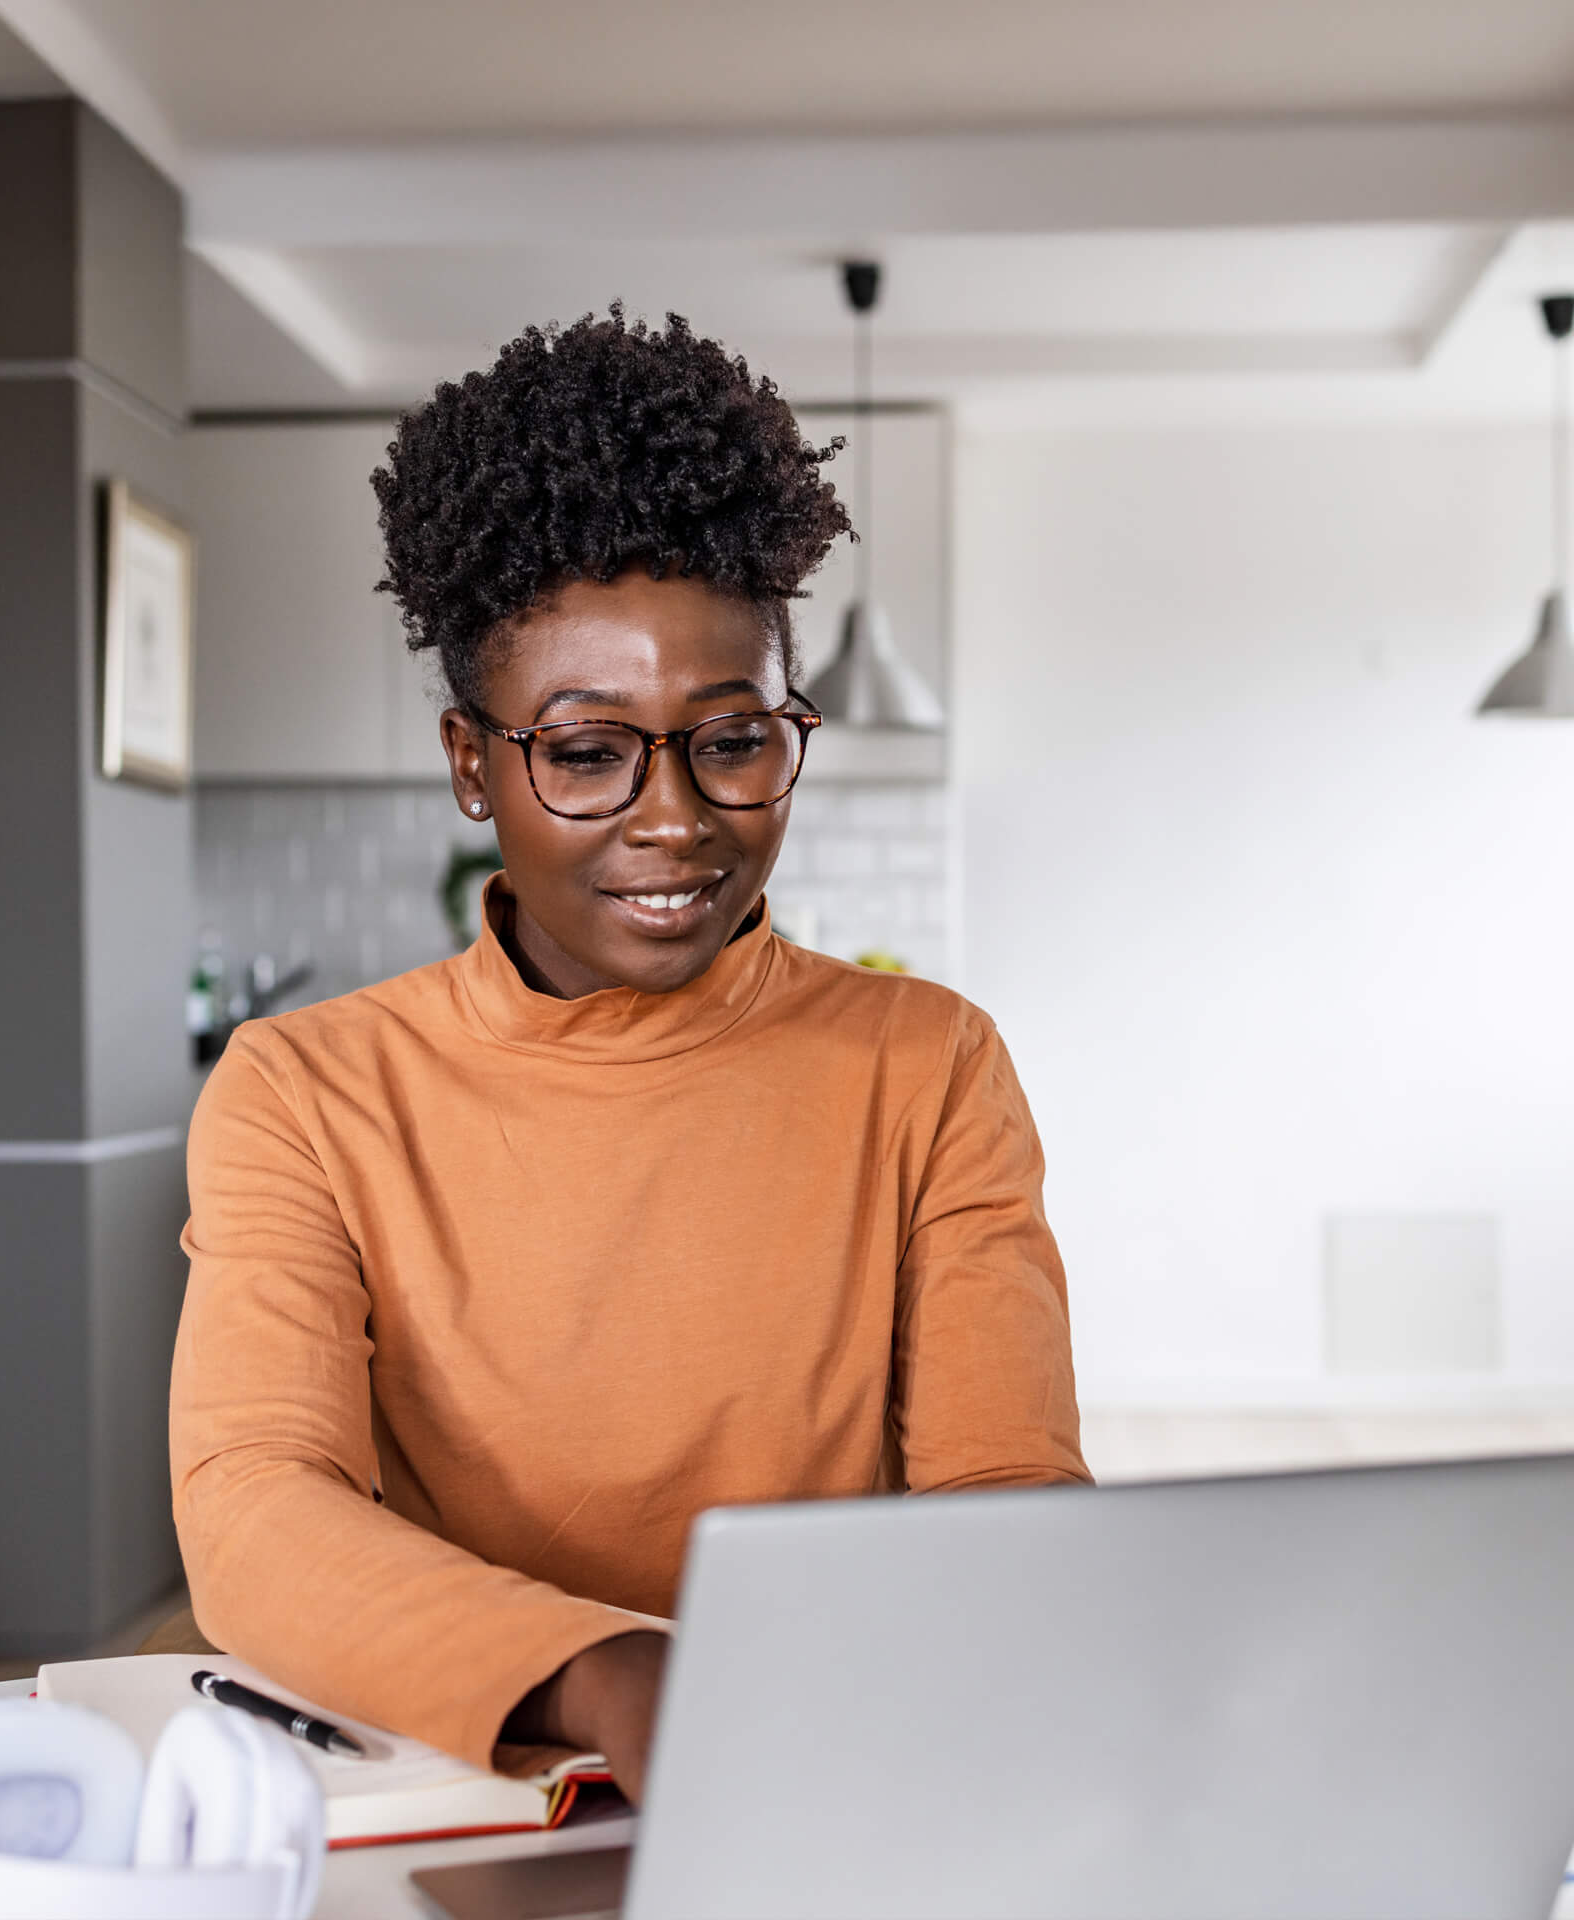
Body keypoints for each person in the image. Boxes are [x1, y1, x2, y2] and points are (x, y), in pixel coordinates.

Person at [169, 308, 1089, 1809]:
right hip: (460, 1780)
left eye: (731, 739)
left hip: (831, 1766)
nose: (675, 819)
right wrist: (609, 1671)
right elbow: (257, 1503)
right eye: (588, 752)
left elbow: (1007, 1492)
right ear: (477, 765)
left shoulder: (925, 1067)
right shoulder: (307, 1092)